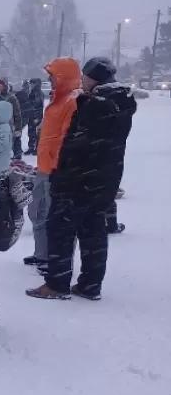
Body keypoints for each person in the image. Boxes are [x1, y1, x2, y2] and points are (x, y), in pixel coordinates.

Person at [28, 57, 136, 301]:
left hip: (78, 179)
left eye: (85, 76)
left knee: (60, 231)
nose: (82, 81)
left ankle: (57, 284)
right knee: (93, 233)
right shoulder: (119, 101)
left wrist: (61, 171)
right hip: (104, 178)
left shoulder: (95, 104)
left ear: (93, 78)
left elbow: (79, 144)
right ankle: (90, 284)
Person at [23, 58, 81, 274]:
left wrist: (58, 167)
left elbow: (67, 139)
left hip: (55, 171)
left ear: (63, 77)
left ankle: (51, 259)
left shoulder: (72, 102)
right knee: (36, 212)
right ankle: (41, 254)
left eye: (52, 76)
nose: (49, 79)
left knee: (53, 217)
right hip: (43, 167)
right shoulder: (57, 100)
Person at [0, 79, 23, 160]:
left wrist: (18, 128)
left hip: (8, 124)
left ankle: (16, 156)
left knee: (12, 141)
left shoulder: (11, 97)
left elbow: (17, 113)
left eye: (1, 85)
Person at [24, 78, 45, 155]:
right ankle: (31, 147)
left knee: (37, 134)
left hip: (36, 117)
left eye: (32, 83)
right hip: (31, 116)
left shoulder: (39, 93)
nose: (31, 85)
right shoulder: (31, 92)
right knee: (30, 133)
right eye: (31, 83)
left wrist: (38, 118)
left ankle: (37, 148)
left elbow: (39, 106)